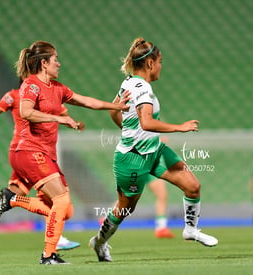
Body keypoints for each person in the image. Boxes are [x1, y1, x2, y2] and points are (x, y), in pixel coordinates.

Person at [0, 40, 130, 264]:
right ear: (44, 63)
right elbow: (26, 112)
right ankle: (48, 255)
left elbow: (86, 101)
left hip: (45, 154)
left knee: (65, 210)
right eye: (56, 60)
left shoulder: (57, 88)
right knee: (61, 199)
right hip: (28, 150)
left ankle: (13, 199)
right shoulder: (31, 85)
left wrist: (117, 106)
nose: (59, 64)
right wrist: (59, 118)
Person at [89, 37, 218, 262]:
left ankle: (190, 230)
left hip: (154, 151)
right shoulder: (142, 89)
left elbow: (113, 110)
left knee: (193, 186)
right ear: (149, 63)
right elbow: (147, 123)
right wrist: (180, 127)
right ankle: (100, 242)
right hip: (132, 159)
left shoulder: (128, 82)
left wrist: (128, 129)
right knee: (125, 208)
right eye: (160, 61)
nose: (161, 66)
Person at [0, 81, 80, 251]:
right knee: (54, 198)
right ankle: (55, 239)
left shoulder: (46, 95)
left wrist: (72, 121)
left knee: (17, 197)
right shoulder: (14, 95)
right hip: (29, 152)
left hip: (38, 151)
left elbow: (62, 111)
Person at [110, 104, 174, 238]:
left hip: (149, 162)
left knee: (161, 194)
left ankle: (161, 227)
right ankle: (107, 218)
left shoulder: (150, 120)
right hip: (135, 162)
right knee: (127, 200)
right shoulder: (135, 122)